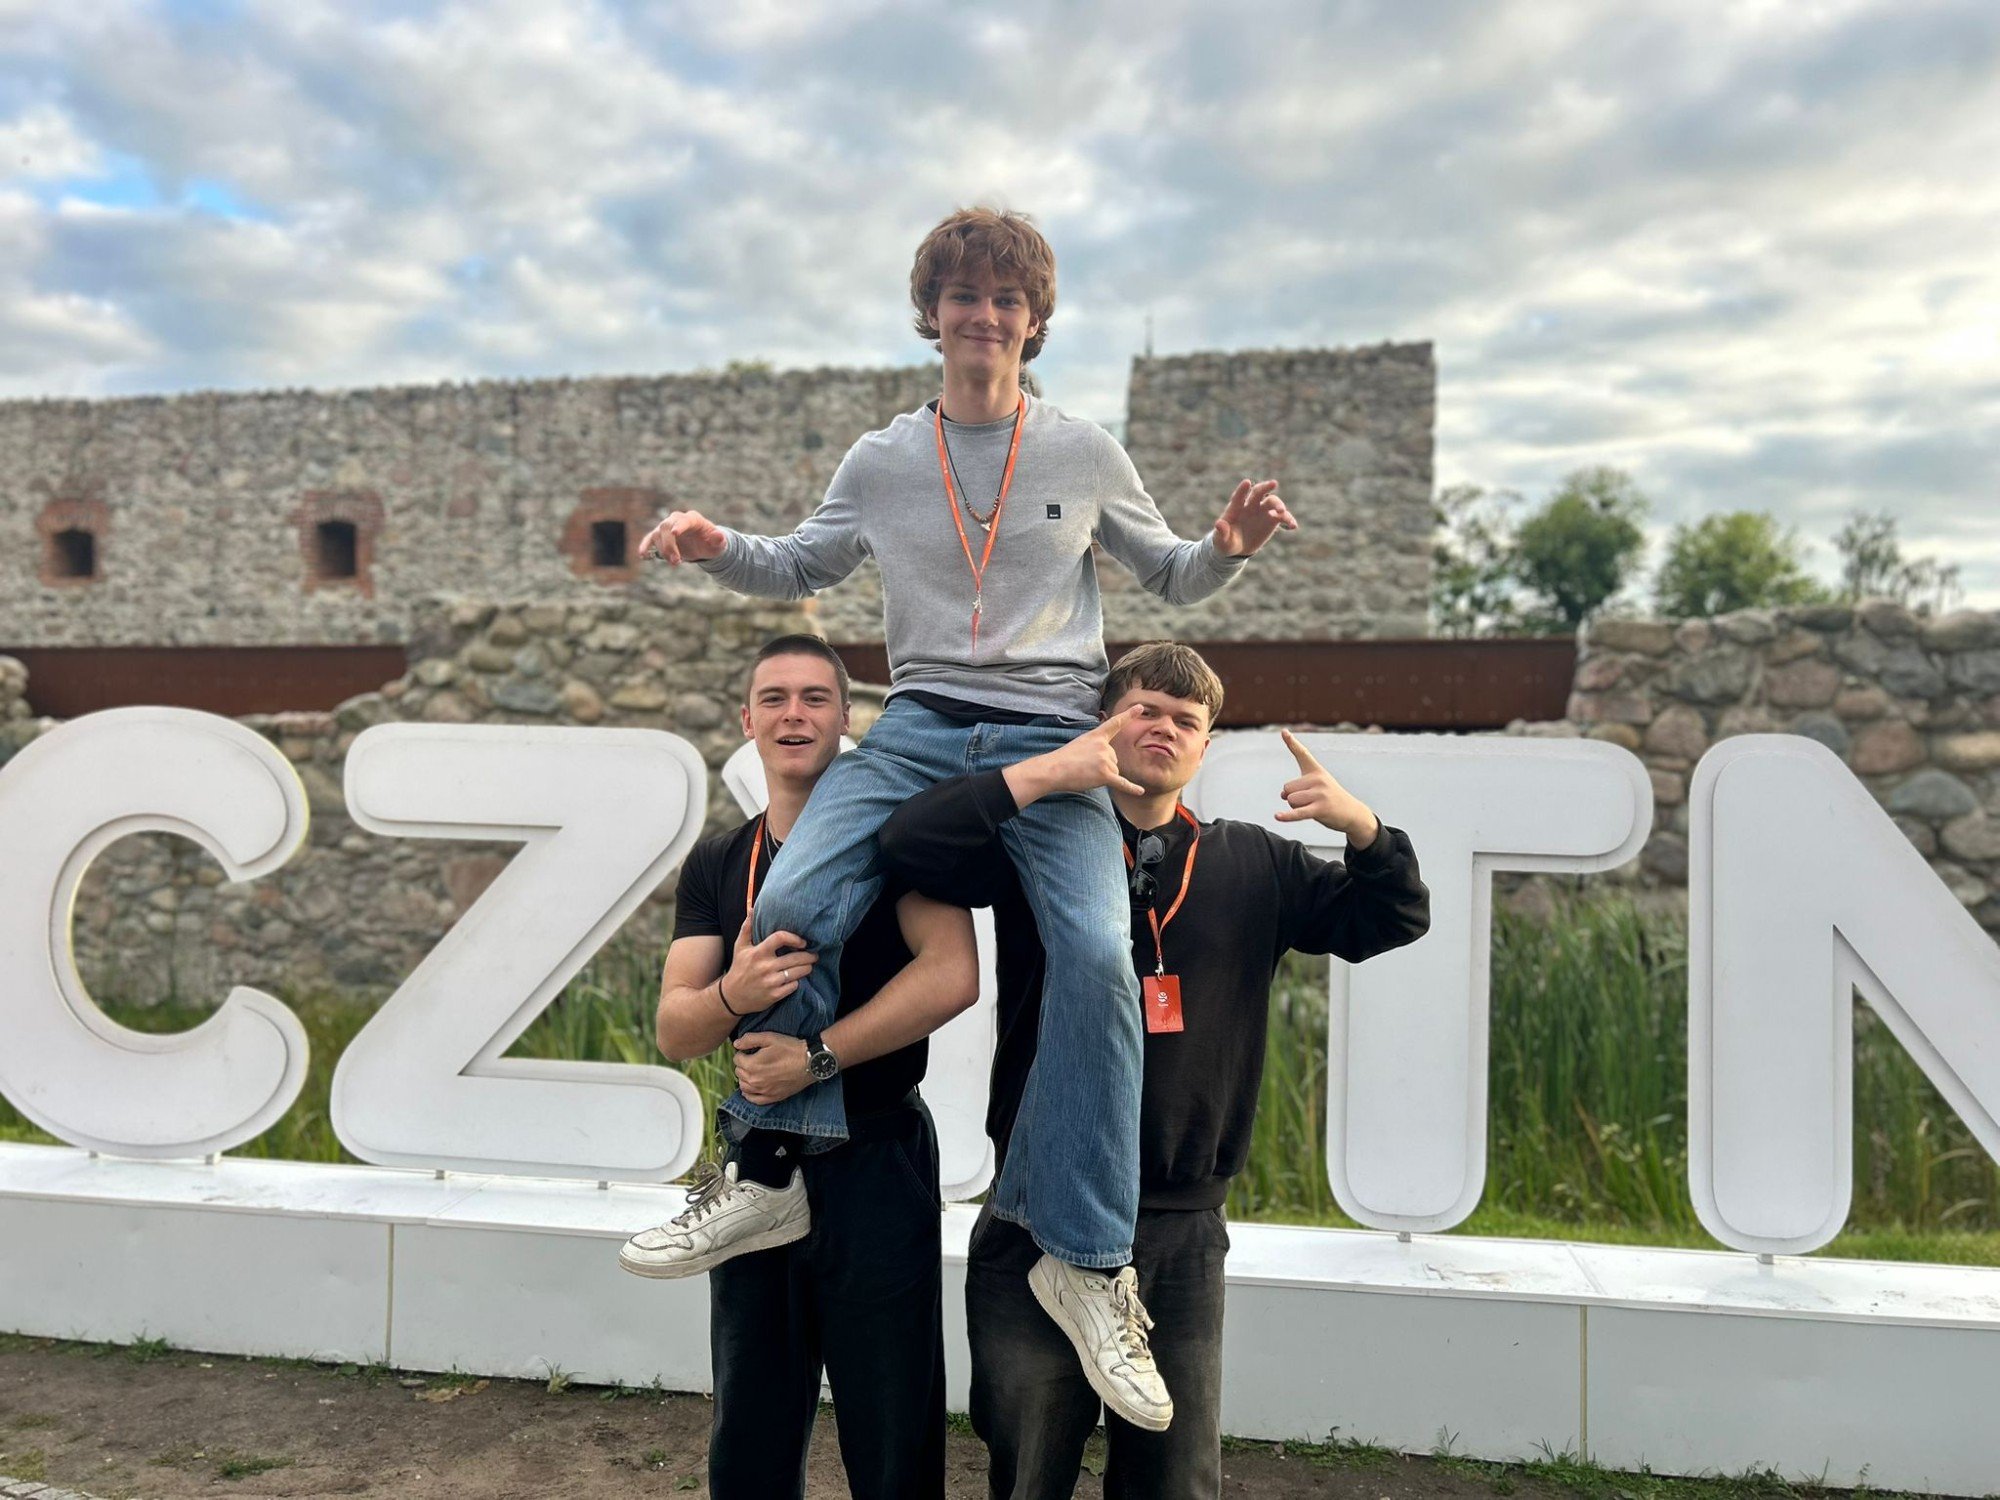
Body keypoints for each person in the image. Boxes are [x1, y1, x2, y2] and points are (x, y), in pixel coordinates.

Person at [634, 207, 1297, 1429]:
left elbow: (1171, 575)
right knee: (792, 898)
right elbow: (798, 566)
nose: (983, 316)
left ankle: (1082, 1259)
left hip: (1056, 735)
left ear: (1033, 324)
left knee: (1095, 958)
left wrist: (1229, 546)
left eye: (1005, 300)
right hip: (921, 724)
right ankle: (770, 1162)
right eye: (962, 296)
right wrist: (711, 542)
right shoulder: (882, 459)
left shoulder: (1082, 451)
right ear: (930, 315)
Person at [876, 642, 1431, 1500]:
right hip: (1038, 1215)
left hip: (1179, 1226)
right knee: (1027, 1471)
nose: (1164, 728)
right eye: (1143, 709)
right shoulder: (1038, 846)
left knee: (1174, 1481)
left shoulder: (1255, 863)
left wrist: (1362, 828)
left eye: (1186, 720)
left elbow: (1391, 918)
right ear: (1103, 722)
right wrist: (1036, 778)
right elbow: (908, 845)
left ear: (1206, 747)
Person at [620, 634, 979, 1500]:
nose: (794, 715)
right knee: (751, 1427)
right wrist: (734, 993)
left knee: (893, 1432)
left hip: (876, 1155)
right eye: (774, 698)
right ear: (747, 720)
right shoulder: (720, 860)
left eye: (815, 698)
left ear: (845, 718)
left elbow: (954, 974)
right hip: (758, 1165)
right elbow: (675, 1028)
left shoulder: (901, 841)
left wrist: (817, 1057)